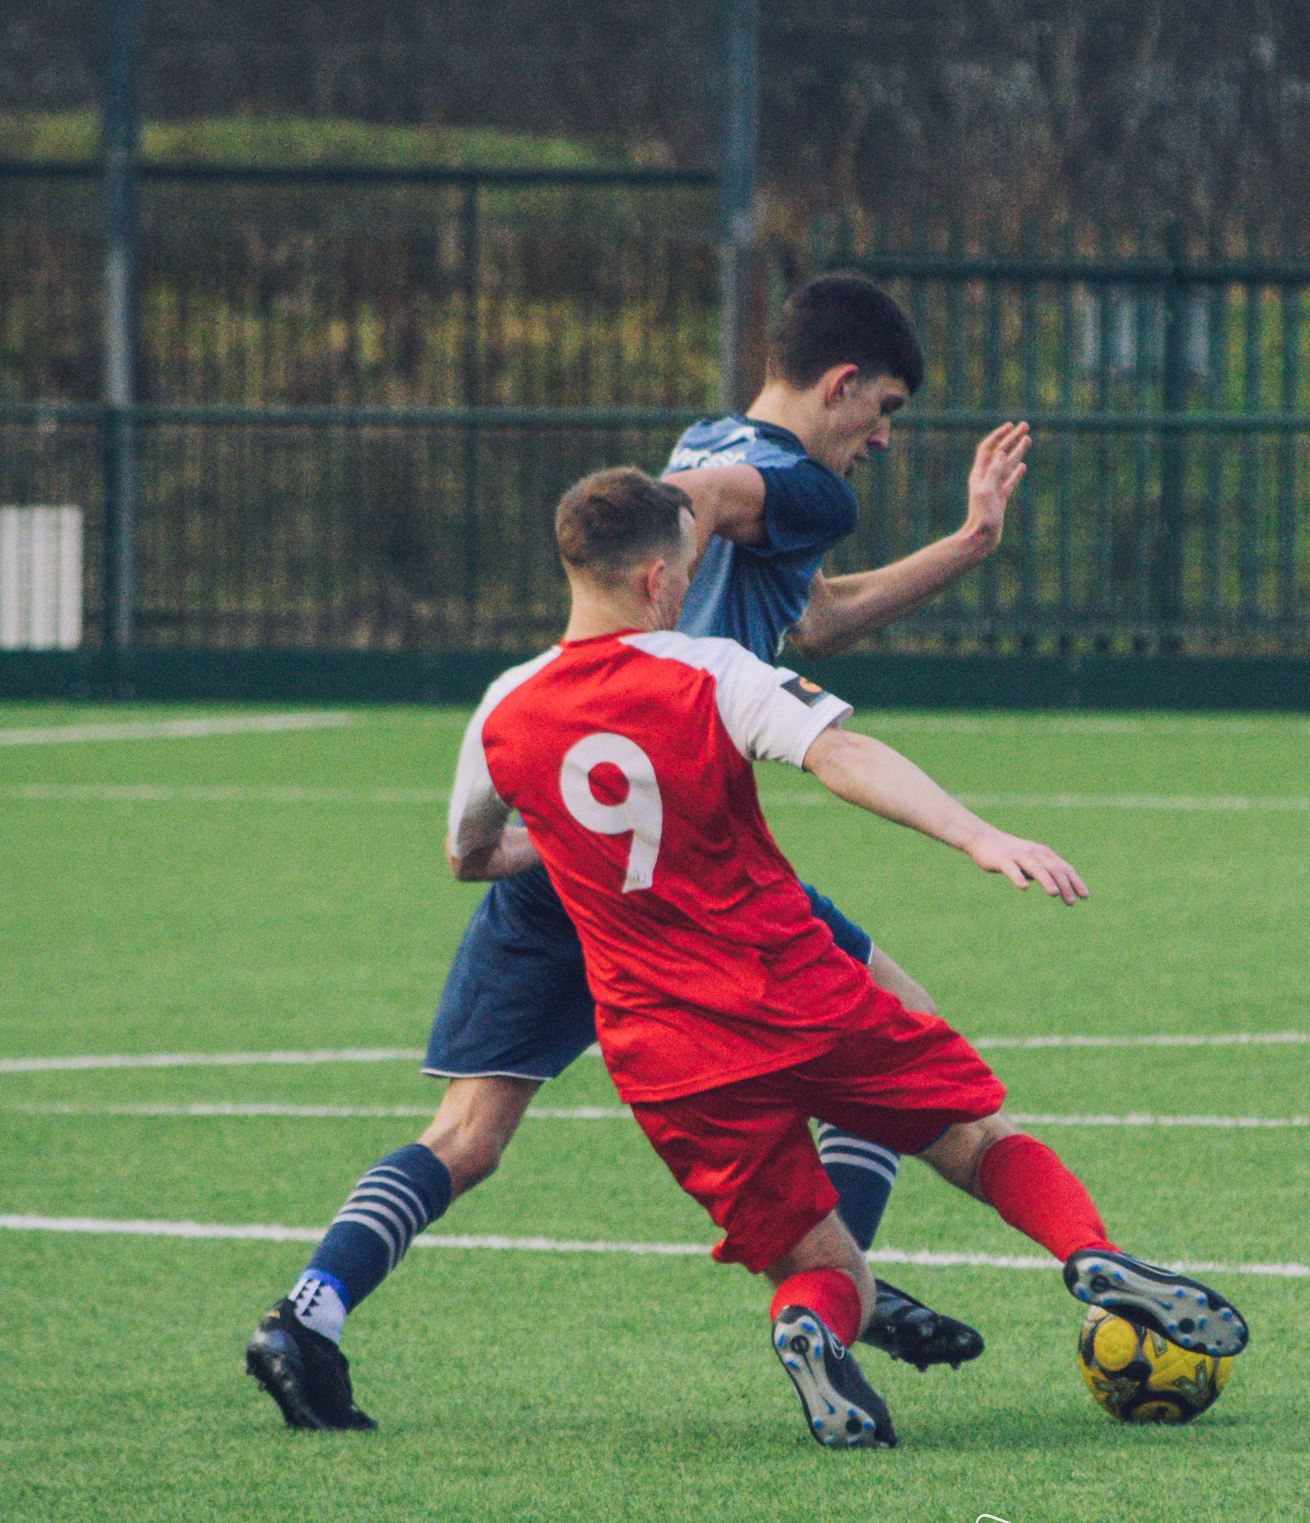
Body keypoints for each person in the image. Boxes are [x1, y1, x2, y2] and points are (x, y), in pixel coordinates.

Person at [293, 466, 1244, 1448]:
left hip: (663, 1056)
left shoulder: (505, 706)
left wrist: (574, 848)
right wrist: (975, 834)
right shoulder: (709, 670)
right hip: (787, 987)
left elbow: (469, 855)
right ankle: (1088, 1252)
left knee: (824, 1264)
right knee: (973, 1137)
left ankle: (809, 1325)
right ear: (661, 577)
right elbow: (843, 754)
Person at [245, 277, 1029, 1430]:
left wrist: (967, 543)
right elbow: (705, 508)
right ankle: (834, 1298)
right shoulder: (792, 480)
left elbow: (805, 617)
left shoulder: (705, 438)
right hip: (687, 867)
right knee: (885, 1058)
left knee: (468, 1133)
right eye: (886, 408)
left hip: (573, 833)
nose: (884, 439)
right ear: (841, 383)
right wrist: (665, 640)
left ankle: (309, 1308)